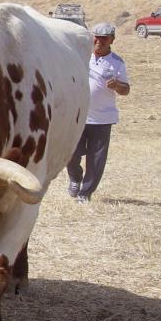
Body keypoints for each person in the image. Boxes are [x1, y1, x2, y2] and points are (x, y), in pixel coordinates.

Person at [66, 22, 130, 203]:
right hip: (78, 116)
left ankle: (85, 192)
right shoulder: (80, 57)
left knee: (96, 159)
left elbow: (126, 90)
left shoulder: (117, 63)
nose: (99, 41)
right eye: (96, 37)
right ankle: (75, 178)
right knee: (71, 154)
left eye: (104, 38)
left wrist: (118, 86)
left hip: (103, 118)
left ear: (112, 40)